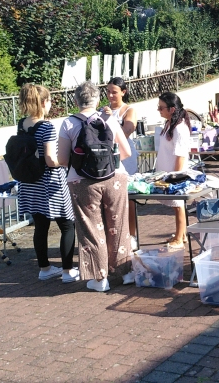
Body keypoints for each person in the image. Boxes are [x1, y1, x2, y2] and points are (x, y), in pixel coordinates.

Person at [57, 82, 133, 291]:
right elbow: (126, 152)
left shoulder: (68, 123)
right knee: (118, 224)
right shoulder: (108, 119)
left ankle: (100, 279)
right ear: (98, 99)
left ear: (76, 101)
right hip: (115, 177)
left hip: (82, 181)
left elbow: (62, 159)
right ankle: (126, 272)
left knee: (91, 228)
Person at [16, 84, 78, 283]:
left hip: (30, 181)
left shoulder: (21, 124)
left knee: (40, 226)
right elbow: (51, 159)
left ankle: (45, 269)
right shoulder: (47, 127)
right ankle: (68, 271)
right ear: (44, 103)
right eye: (50, 101)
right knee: (67, 224)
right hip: (49, 182)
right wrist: (66, 160)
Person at [101, 77, 138, 240]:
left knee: (128, 197)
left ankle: (132, 235)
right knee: (109, 197)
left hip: (125, 155)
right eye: (108, 92)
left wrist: (110, 119)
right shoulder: (103, 110)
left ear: (123, 92)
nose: (110, 95)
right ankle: (113, 235)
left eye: (114, 92)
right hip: (108, 155)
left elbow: (127, 131)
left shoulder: (129, 110)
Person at [155, 92, 193, 249]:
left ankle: (179, 238)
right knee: (176, 206)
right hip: (167, 173)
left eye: (161, 107)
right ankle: (181, 234)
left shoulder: (179, 128)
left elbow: (181, 156)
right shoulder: (169, 124)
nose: (159, 110)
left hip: (176, 173)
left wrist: (175, 177)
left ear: (171, 109)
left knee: (178, 205)